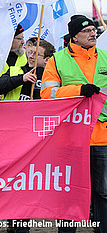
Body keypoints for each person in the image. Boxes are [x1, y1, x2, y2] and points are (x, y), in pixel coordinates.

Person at [41, 15, 107, 233]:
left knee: (103, 192)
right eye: (87, 30)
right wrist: (79, 90)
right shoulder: (57, 60)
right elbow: (47, 94)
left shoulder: (106, 57)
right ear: (74, 37)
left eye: (93, 30)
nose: (93, 33)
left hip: (101, 136)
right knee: (69, 191)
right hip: (70, 137)